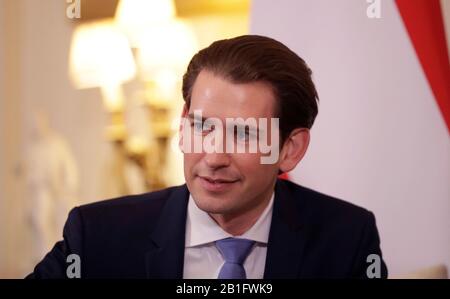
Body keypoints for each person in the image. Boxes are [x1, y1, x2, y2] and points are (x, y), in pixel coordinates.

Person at [27, 35, 388, 279]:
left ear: (290, 149)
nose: (214, 156)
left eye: (244, 133)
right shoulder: (98, 237)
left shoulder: (346, 241)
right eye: (201, 126)